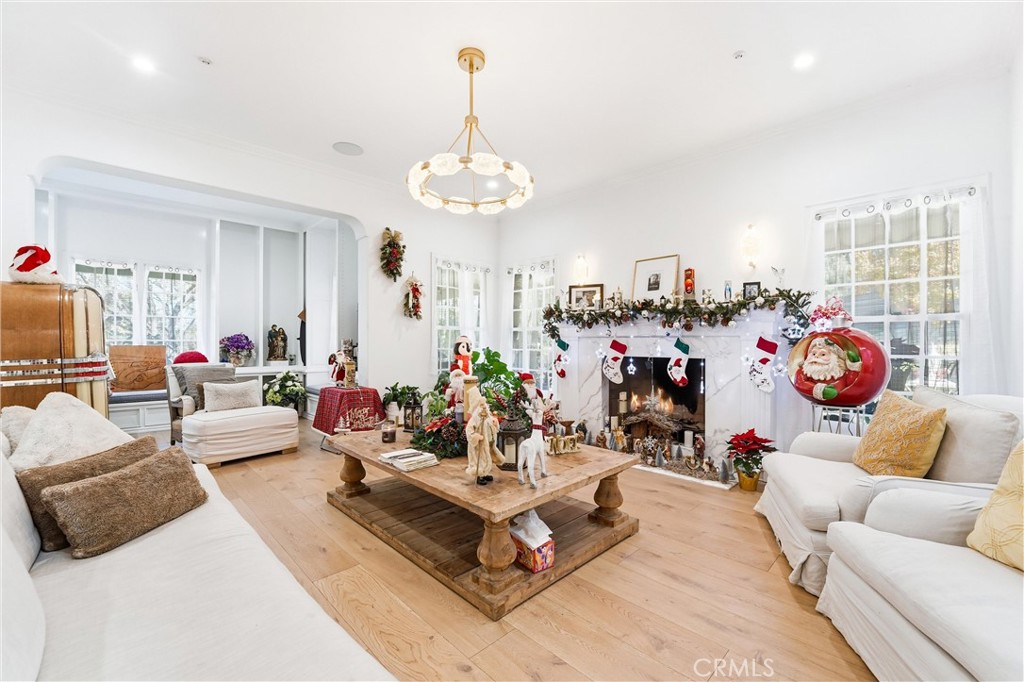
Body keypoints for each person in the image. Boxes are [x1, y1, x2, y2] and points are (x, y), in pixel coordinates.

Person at [792, 336, 863, 402]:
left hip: (845, 400)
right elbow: (800, 383)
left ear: (835, 358)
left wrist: (854, 367)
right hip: (818, 400)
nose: (816, 356)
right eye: (813, 354)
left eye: (823, 354)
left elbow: (851, 381)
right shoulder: (804, 371)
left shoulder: (839, 371)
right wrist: (818, 390)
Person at [464, 382, 504, 485]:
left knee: (487, 458)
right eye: (481, 404)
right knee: (479, 459)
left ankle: (485, 473)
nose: (484, 406)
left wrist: (495, 423)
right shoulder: (475, 418)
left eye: (484, 404)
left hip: (488, 442)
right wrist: (476, 436)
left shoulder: (487, 415)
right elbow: (469, 431)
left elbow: (491, 422)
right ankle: (479, 475)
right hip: (479, 444)